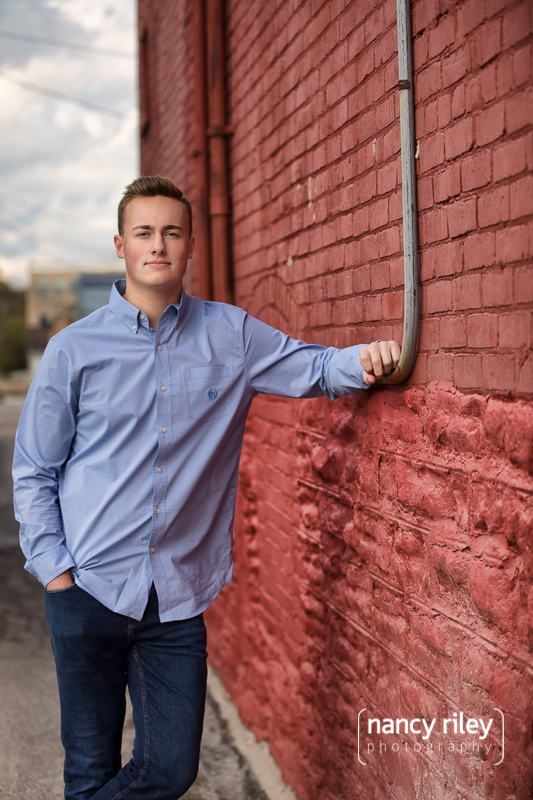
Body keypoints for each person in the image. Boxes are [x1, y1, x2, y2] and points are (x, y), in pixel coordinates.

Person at [12, 175, 401, 800]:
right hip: (87, 585)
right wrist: (56, 571)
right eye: (144, 232)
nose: (157, 245)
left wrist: (370, 359)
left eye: (171, 232)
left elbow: (313, 366)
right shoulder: (72, 349)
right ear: (121, 245)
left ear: (190, 244)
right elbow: (34, 467)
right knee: (89, 769)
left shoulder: (233, 336)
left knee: (169, 769)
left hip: (175, 598)